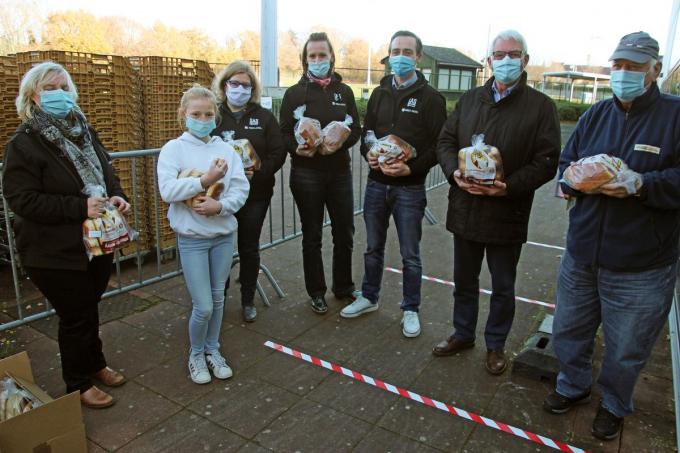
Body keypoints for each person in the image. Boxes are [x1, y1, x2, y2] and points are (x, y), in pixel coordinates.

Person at [543, 32, 680, 441]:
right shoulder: (596, 114)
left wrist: (642, 184)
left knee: (626, 347)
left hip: (642, 263)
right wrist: (569, 180)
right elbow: (568, 161)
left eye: (635, 67)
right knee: (568, 329)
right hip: (582, 252)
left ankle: (615, 403)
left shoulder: (674, 116)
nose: (623, 73)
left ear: (655, 70)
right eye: (618, 65)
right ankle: (573, 384)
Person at [2, 62, 131, 408]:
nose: (59, 94)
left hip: (96, 244)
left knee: (89, 310)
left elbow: (106, 172)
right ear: (33, 96)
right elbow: (22, 200)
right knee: (75, 316)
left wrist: (118, 196)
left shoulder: (85, 131)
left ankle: (96, 364)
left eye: (63, 87)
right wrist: (79, 207)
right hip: (53, 251)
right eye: (50, 89)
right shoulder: (25, 144)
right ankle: (78, 383)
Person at [433, 30, 560, 373]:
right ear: (489, 61)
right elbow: (445, 141)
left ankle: (496, 344)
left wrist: (508, 187)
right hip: (467, 209)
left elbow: (547, 161)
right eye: (499, 55)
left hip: (507, 211)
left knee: (503, 286)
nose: (505, 61)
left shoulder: (540, 107)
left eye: (513, 54)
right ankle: (463, 333)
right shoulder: (470, 100)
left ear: (525, 60)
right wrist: (453, 173)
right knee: (464, 281)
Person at [339, 30, 446, 338]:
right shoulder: (379, 93)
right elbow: (366, 132)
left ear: (418, 57)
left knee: (410, 253)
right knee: (373, 247)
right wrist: (368, 155)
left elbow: (440, 147)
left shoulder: (431, 99)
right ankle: (369, 297)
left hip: (409, 189)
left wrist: (410, 168)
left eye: (407, 51)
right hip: (376, 184)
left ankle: (410, 308)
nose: (400, 56)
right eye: (395, 51)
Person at [157, 86, 249, 384]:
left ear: (216, 116)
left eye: (208, 114)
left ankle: (213, 349)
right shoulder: (174, 149)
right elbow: (168, 190)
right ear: (184, 115)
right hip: (193, 239)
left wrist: (220, 205)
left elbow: (240, 187)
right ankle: (196, 354)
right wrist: (205, 181)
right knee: (204, 304)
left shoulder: (225, 149)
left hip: (222, 236)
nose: (203, 118)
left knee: (218, 300)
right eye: (196, 114)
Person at [279, 32, 361, 314]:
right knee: (312, 235)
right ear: (304, 60)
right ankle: (316, 291)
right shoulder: (293, 94)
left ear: (331, 58)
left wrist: (341, 141)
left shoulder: (345, 92)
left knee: (345, 232)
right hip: (306, 174)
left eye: (322, 55)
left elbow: (356, 130)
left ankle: (344, 286)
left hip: (339, 173)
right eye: (311, 56)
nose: (317, 60)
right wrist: (296, 149)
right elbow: (283, 135)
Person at [211, 61, 287, 322]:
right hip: (220, 194)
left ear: (252, 88)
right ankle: (218, 296)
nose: (240, 89)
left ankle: (247, 299)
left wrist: (261, 171)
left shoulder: (264, 117)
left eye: (246, 85)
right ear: (225, 85)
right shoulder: (215, 115)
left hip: (256, 194)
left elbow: (279, 152)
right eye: (235, 83)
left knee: (249, 247)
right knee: (219, 246)